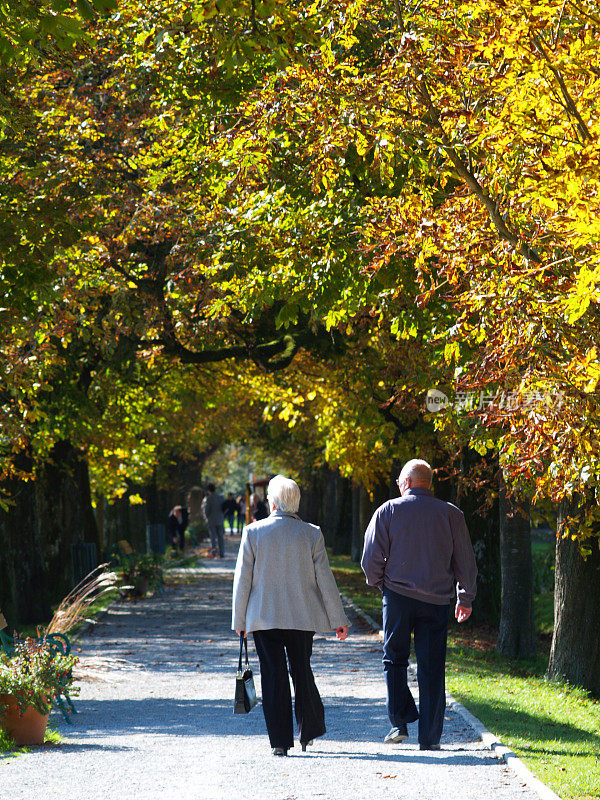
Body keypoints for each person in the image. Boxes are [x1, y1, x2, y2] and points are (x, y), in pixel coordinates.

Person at [361, 458, 477, 751]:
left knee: (394, 659)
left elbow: (370, 557)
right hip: (437, 601)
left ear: (408, 482)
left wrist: (380, 584)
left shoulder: (388, 510)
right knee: (432, 667)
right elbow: (465, 560)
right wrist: (465, 597)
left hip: (398, 597)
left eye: (400, 481)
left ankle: (399, 722)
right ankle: (430, 737)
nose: (398, 486)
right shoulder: (452, 514)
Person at [232, 475, 350, 757]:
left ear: (272, 502)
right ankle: (308, 732)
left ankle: (280, 742)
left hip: (263, 618)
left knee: (273, 676)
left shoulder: (253, 532)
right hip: (301, 617)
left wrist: (239, 621)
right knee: (302, 671)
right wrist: (338, 619)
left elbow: (242, 580)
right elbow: (325, 578)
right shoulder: (312, 533)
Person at [202, 483, 226, 558]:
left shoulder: (209, 498)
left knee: (213, 537)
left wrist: (206, 517)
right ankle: (222, 552)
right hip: (220, 519)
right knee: (220, 536)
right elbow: (224, 508)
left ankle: (214, 552)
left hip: (211, 520)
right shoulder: (220, 497)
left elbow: (206, 510)